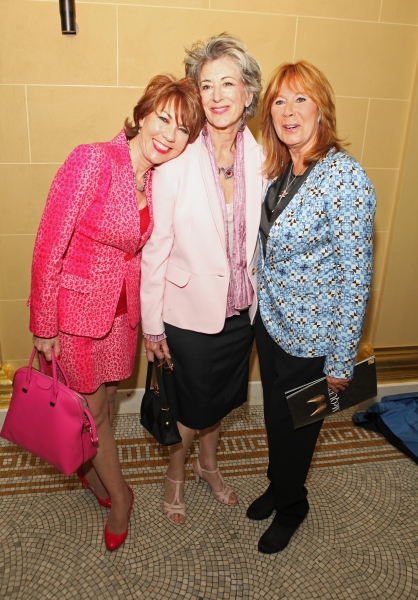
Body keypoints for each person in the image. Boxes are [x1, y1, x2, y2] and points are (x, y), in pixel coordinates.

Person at [29, 75, 205, 550]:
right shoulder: (93, 160)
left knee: (103, 406)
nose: (169, 134)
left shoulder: (157, 178)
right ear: (143, 114)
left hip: (121, 319)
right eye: (163, 118)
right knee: (94, 414)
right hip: (76, 318)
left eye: (183, 128)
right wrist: (44, 326)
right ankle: (122, 497)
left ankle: (91, 471)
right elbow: (49, 245)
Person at [246, 60, 376, 554]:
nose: (288, 110)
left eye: (300, 99)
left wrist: (342, 359)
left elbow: (356, 277)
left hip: (314, 340)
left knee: (298, 429)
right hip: (273, 325)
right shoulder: (282, 171)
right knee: (277, 421)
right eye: (279, 101)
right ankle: (278, 485)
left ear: (321, 109)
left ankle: (292, 504)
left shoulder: (345, 179)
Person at [141, 33, 264, 525]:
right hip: (187, 315)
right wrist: (152, 326)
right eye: (206, 84)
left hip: (240, 312)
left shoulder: (263, 156)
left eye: (227, 83)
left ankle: (209, 466)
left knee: (222, 400)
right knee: (191, 408)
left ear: (248, 93)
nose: (216, 95)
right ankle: (176, 475)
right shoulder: (177, 159)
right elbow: (157, 249)